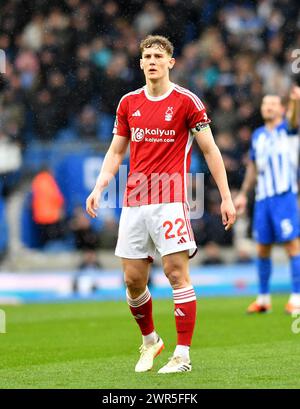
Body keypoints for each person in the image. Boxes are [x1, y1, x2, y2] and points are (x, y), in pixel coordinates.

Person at [86, 35, 236, 373]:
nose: (152, 61)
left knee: (175, 273)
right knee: (133, 281)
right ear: (140, 63)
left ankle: (182, 355)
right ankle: (151, 341)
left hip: (170, 199)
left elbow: (210, 150)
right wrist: (99, 186)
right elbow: (116, 151)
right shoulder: (128, 103)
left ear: (170, 62)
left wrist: (226, 197)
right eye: (147, 56)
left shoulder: (187, 101)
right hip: (135, 201)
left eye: (158, 56)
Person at [235, 87, 300, 314]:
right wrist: (243, 193)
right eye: (264, 104)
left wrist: (296, 102)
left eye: (272, 104)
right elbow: (253, 167)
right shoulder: (258, 135)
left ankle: (297, 297)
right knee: (262, 248)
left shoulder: (289, 130)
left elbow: (294, 119)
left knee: (292, 245)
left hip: (284, 196)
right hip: (263, 199)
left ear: (281, 109)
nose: (267, 108)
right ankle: (263, 299)